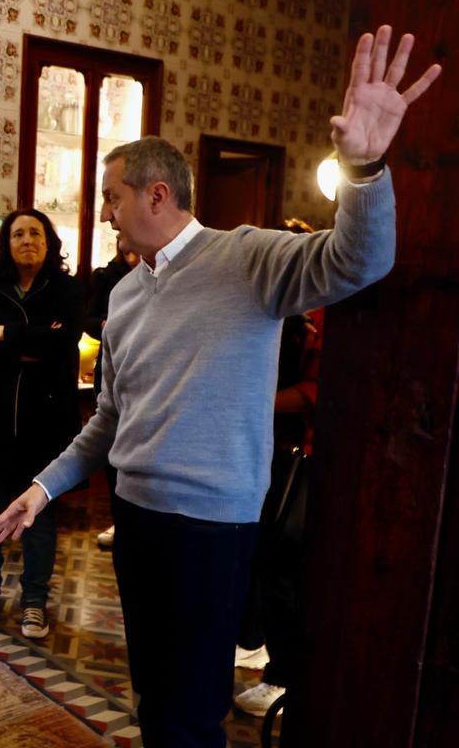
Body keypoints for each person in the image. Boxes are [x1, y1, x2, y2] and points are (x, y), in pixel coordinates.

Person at [0, 27, 440, 747]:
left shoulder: (249, 257)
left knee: (194, 711)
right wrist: (42, 488)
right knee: (154, 697)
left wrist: (363, 168)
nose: (103, 212)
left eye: (111, 198)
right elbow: (109, 419)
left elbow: (361, 260)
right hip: (134, 519)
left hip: (212, 528)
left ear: (156, 194)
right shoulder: (128, 295)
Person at [0, 210, 83, 639]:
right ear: (6, 243)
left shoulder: (67, 289)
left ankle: (34, 602)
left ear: (48, 240)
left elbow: (61, 344)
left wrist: (1, 336)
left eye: (35, 232)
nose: (27, 239)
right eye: (17, 233)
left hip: (45, 426)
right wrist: (27, 341)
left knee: (39, 522)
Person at [233, 220, 325, 717]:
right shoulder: (261, 305)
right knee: (251, 553)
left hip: (296, 456)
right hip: (253, 449)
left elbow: (318, 389)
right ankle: (250, 640)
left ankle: (284, 676)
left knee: (281, 563)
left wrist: (258, 401)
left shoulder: (320, 313)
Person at [85, 237, 139, 550]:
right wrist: (106, 324)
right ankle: (118, 517)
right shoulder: (105, 277)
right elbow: (88, 320)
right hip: (110, 365)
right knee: (110, 439)